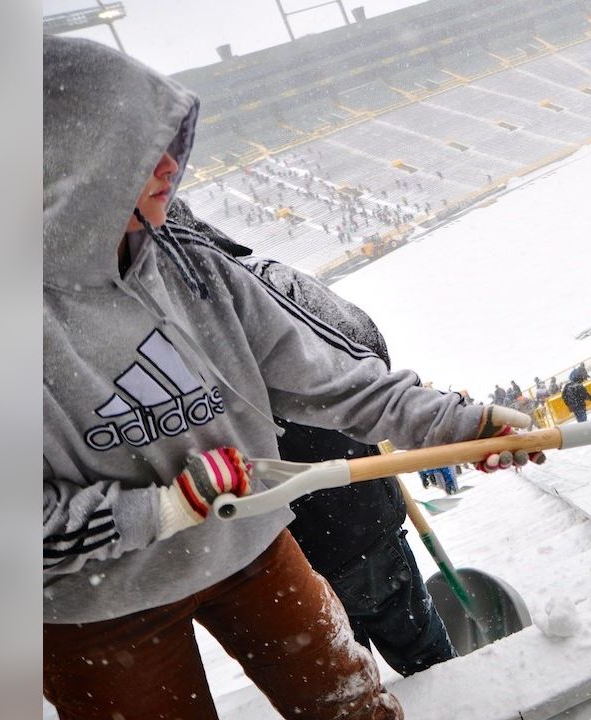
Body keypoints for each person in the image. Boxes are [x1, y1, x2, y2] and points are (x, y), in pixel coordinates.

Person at [43, 37, 539, 720]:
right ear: (61, 171)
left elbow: (333, 378)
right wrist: (159, 508)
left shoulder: (189, 259)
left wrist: (463, 423)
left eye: (164, 142)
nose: (167, 167)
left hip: (251, 546)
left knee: (355, 708)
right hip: (98, 609)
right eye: (130, 154)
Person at [165, 198, 457, 677]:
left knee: (349, 687)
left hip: (289, 552)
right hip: (343, 527)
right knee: (424, 661)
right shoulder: (268, 282)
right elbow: (367, 352)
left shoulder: (157, 334)